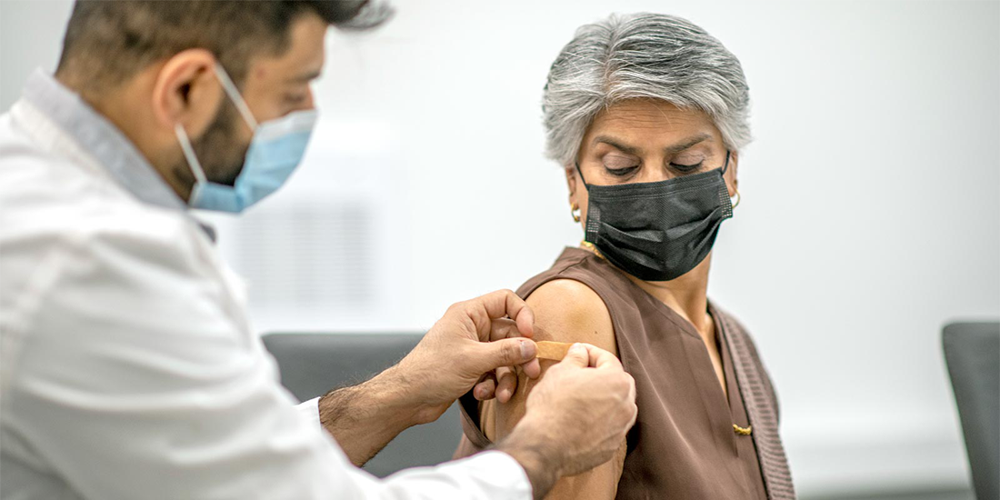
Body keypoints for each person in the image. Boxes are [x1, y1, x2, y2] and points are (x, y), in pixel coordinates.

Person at [0, 1, 639, 499]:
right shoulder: (84, 259)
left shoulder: (41, 199)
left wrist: (398, 392)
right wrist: (542, 450)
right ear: (188, 89)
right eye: (293, 90)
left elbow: (217, 464)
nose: (309, 110)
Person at [454, 13, 795, 499]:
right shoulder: (571, 312)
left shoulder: (735, 340)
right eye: (620, 166)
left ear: (731, 170)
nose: (654, 185)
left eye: (686, 163)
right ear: (574, 183)